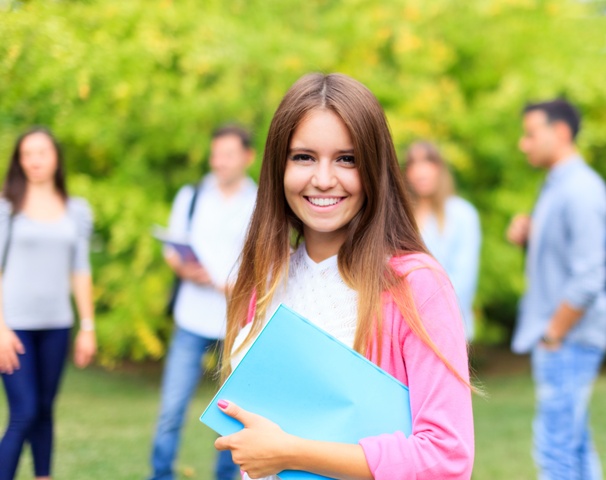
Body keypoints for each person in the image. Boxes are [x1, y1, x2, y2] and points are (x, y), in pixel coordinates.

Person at [213, 73, 474, 480]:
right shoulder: (265, 280)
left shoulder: (416, 285)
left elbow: (447, 457)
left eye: (346, 159)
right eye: (303, 157)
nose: (322, 178)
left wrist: (292, 453)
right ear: (278, 167)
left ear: (374, 168)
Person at [148, 125, 257, 480]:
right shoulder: (192, 195)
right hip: (190, 318)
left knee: (232, 414)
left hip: (236, 321)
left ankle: (226, 476)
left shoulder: (259, 202)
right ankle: (160, 473)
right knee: (171, 408)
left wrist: (221, 284)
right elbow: (171, 248)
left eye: (228, 154)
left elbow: (263, 267)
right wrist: (184, 267)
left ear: (247, 157)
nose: (219, 162)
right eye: (215, 154)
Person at [507, 99, 606, 479]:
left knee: (555, 451)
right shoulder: (559, 185)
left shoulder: (581, 189)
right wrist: (532, 237)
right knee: (575, 446)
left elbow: (591, 275)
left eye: (531, 134)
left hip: (568, 338)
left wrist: (554, 334)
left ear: (561, 132)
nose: (524, 143)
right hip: (565, 337)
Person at [0, 127, 97, 480]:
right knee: (23, 412)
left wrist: (88, 327)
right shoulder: (6, 208)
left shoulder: (76, 210)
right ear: (19, 161)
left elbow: (80, 270)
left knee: (43, 410)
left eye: (41, 152)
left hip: (57, 325)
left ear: (55, 157)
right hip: (14, 327)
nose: (35, 160)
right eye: (27, 154)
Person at [403, 141, 481, 340]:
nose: (420, 172)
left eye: (427, 162)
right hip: (404, 328)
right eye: (413, 164)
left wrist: (428, 320)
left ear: (439, 168)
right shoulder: (401, 216)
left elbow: (464, 279)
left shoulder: (462, 214)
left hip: (447, 329)